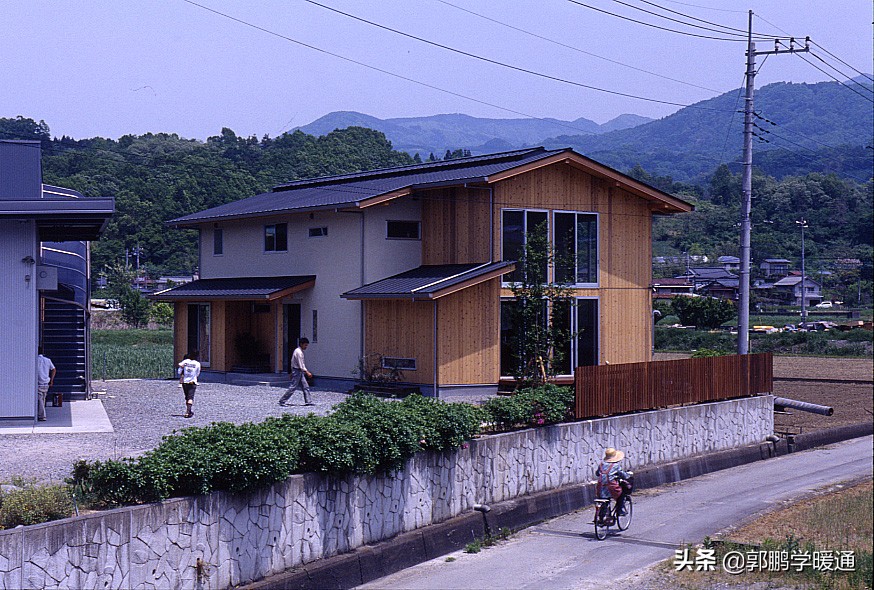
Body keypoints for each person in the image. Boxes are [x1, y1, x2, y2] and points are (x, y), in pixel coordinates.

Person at [595, 447, 631, 517]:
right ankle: (620, 510)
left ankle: (601, 516)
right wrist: (628, 475)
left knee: (604, 498)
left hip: (600, 487)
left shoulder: (601, 464)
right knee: (621, 494)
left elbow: (597, 473)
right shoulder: (615, 466)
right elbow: (623, 475)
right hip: (611, 487)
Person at [278, 337, 313, 406]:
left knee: (305, 386)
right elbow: (300, 365)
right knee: (293, 387)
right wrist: (307, 372)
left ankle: (308, 401)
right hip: (297, 371)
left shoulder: (298, 351)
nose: (306, 347)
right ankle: (282, 401)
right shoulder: (298, 352)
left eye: (307, 345)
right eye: (305, 345)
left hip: (299, 371)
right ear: (301, 344)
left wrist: (292, 372)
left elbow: (294, 363)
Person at [178, 350, 201, 418]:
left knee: (187, 397)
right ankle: (188, 412)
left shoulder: (186, 361)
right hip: (192, 382)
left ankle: (189, 410)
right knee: (190, 398)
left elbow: (179, 370)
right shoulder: (197, 363)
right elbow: (197, 373)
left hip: (185, 382)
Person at [36, 346, 56, 422]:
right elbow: (54, 369)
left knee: (40, 400)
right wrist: (51, 380)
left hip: (39, 382)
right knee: (43, 399)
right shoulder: (48, 360)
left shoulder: (35, 360)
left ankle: (42, 416)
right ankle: (41, 414)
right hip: (46, 382)